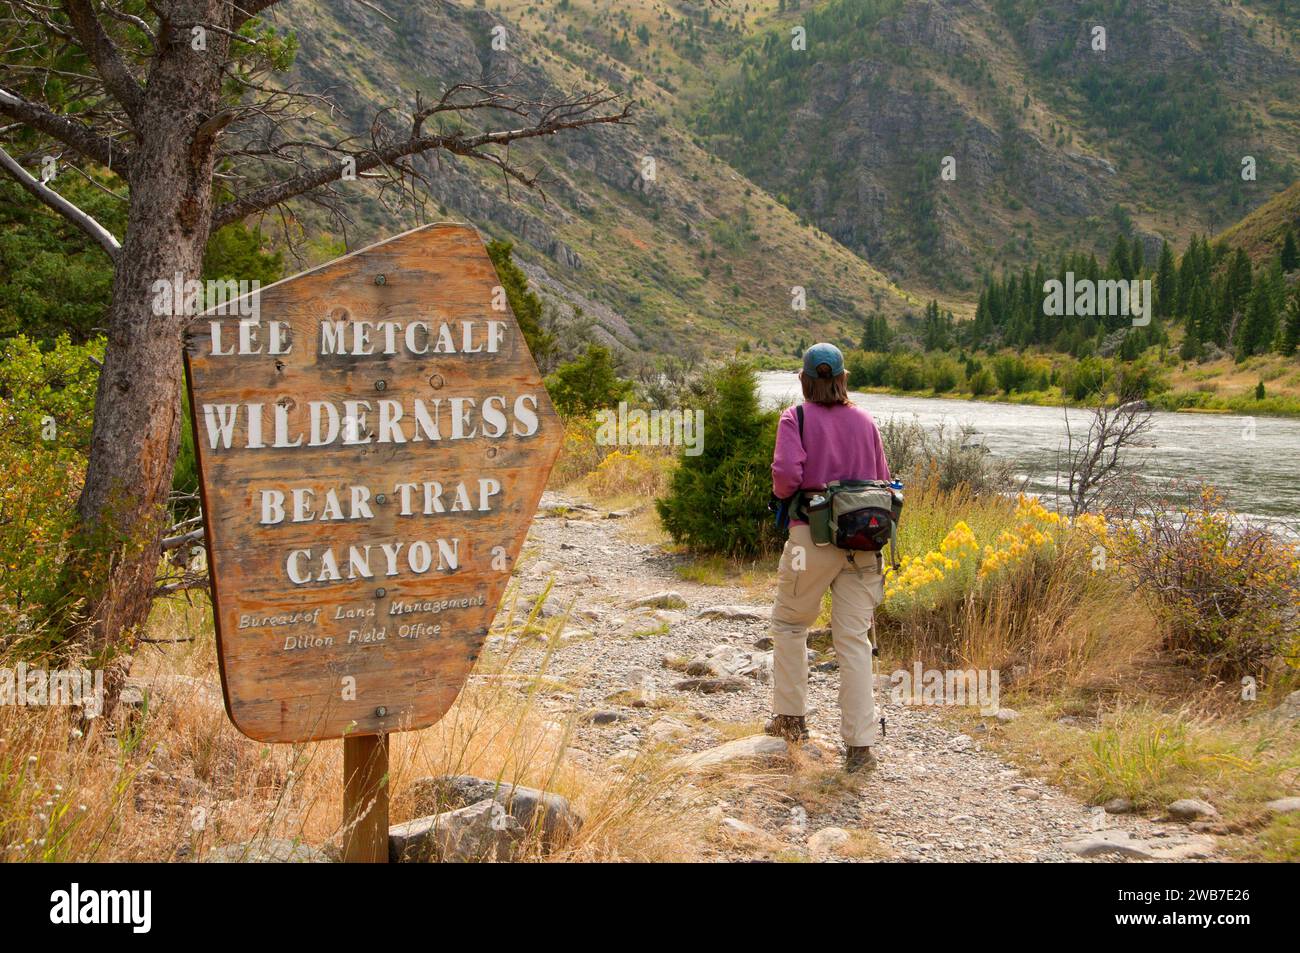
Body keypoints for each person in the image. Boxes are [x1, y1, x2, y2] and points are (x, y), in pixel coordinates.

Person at [767, 343, 891, 772]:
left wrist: (789, 495)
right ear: (842, 378)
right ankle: (859, 748)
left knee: (789, 623)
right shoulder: (865, 420)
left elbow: (785, 477)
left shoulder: (795, 418)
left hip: (810, 542)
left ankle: (791, 720)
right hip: (863, 544)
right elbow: (884, 479)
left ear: (804, 380)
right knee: (854, 641)